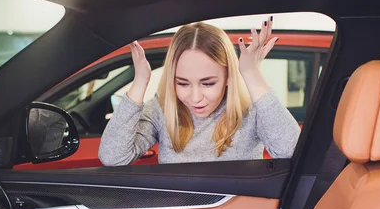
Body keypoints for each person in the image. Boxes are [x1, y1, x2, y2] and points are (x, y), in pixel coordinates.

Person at [98, 17, 301, 166]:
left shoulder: (251, 110)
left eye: (208, 83)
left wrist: (251, 73)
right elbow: (113, 158)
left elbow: (291, 150)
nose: (195, 98)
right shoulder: (162, 108)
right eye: (183, 84)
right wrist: (140, 81)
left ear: (228, 76)